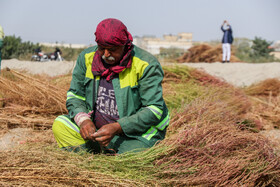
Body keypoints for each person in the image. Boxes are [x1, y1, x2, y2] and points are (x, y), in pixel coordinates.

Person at [52, 18, 170, 154]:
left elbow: (153, 110)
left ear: (125, 45)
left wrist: (118, 127)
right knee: (60, 125)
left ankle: (103, 152)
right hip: (98, 132)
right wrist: (83, 120)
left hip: (134, 135)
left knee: (137, 153)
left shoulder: (146, 64)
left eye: (112, 50)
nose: (106, 55)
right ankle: (105, 150)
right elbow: (75, 95)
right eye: (102, 49)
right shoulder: (86, 58)